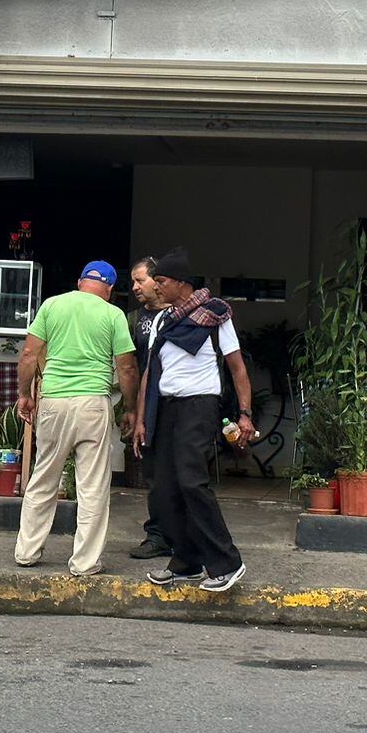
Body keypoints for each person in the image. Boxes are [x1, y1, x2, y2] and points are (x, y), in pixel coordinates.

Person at [135, 248, 254, 593]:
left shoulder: (216, 316)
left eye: (162, 282)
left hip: (198, 408)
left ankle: (228, 562)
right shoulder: (163, 319)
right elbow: (150, 372)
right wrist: (143, 416)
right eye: (154, 282)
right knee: (165, 488)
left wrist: (245, 414)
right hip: (165, 408)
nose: (155, 288)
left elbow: (237, 368)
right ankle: (186, 562)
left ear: (182, 284)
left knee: (191, 482)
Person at [13, 260, 138, 576]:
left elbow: (28, 355)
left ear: (80, 281)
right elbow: (126, 367)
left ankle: (27, 552)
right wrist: (131, 408)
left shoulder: (53, 305)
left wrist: (25, 394)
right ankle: (85, 562)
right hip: (92, 404)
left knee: (43, 477)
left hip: (54, 400)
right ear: (109, 289)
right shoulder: (113, 315)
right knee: (92, 485)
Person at [125, 256, 173, 560]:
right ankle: (157, 535)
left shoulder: (183, 314)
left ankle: (182, 535)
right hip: (147, 404)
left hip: (179, 401)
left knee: (182, 473)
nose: (134, 287)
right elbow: (128, 364)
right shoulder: (133, 319)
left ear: (159, 280)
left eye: (140, 280)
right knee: (154, 473)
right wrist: (130, 409)